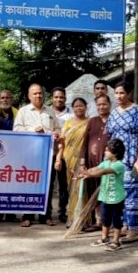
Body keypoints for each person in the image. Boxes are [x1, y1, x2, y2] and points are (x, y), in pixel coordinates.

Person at [106, 81, 138, 243]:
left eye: (122, 93)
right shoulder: (113, 113)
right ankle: (123, 224)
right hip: (116, 160)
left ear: (129, 94)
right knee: (119, 193)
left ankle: (133, 228)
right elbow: (110, 137)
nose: (119, 96)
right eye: (116, 93)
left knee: (131, 193)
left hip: (132, 157)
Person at [14, 83, 59, 227]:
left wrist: (57, 133)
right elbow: (16, 130)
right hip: (29, 155)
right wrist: (33, 130)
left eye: (40, 93)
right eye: (35, 93)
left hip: (47, 155)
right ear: (29, 96)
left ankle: (45, 216)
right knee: (29, 185)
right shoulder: (23, 111)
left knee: (47, 185)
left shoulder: (51, 111)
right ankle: (27, 215)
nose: (38, 96)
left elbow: (57, 128)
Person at [83, 139, 127, 252]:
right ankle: (104, 238)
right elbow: (96, 169)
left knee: (116, 220)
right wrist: (84, 173)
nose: (105, 152)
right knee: (105, 219)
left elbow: (102, 172)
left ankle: (116, 241)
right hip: (105, 197)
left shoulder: (119, 165)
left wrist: (88, 174)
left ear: (115, 153)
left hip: (116, 198)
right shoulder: (105, 162)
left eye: (107, 151)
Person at [56, 97, 89, 227]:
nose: (78, 108)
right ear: (73, 108)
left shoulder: (89, 122)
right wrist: (58, 159)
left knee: (82, 188)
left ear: (86, 107)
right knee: (71, 188)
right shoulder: (68, 123)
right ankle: (71, 217)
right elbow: (62, 144)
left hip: (83, 160)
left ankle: (82, 219)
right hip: (68, 159)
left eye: (81, 106)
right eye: (76, 106)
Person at [0, 89, 19, 223]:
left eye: (7, 98)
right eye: (2, 98)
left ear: (11, 100)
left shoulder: (18, 113)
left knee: (13, 183)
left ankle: (11, 214)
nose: (5, 100)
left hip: (14, 153)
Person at [82, 94, 112, 228]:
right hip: (92, 163)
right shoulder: (92, 121)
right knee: (93, 189)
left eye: (104, 104)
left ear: (109, 105)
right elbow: (85, 142)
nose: (101, 107)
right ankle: (98, 220)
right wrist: (83, 161)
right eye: (98, 105)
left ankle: (109, 220)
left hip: (107, 164)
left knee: (107, 190)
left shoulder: (114, 120)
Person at [51, 87, 72, 222]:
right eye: (56, 97)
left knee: (64, 184)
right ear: (52, 99)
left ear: (65, 98)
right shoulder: (47, 112)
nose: (59, 99)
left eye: (61, 97)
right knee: (49, 183)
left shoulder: (71, 115)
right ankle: (46, 212)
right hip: (49, 153)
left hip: (65, 153)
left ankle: (62, 211)